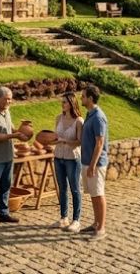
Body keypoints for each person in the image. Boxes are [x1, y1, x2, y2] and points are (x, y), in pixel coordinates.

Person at [0, 86, 29, 232]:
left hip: (8, 157)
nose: (10, 101)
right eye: (7, 99)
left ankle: (3, 213)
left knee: (6, 187)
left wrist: (20, 132)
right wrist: (13, 136)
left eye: (10, 99)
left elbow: (11, 128)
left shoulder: (6, 112)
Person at [80, 84, 109, 241]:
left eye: (83, 96)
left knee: (98, 194)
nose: (81, 98)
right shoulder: (90, 114)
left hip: (95, 164)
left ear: (90, 98)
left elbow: (99, 143)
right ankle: (96, 223)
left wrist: (92, 165)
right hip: (87, 161)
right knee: (93, 194)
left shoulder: (98, 117)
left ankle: (101, 228)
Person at [53, 92, 84, 233]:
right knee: (62, 188)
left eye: (65, 102)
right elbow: (55, 137)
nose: (62, 104)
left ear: (72, 103)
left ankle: (76, 220)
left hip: (72, 159)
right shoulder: (58, 118)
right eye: (62, 102)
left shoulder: (79, 121)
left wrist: (64, 141)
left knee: (75, 188)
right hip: (58, 157)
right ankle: (63, 217)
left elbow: (80, 141)